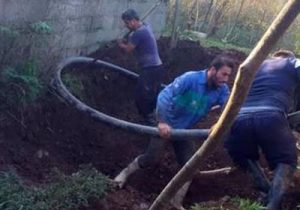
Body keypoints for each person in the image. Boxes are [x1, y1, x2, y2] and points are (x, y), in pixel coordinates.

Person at [114, 55, 234, 209]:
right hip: (166, 123)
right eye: (224, 74)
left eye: (229, 76)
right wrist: (162, 121)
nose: (226, 79)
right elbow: (165, 96)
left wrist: (219, 124)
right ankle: (124, 174)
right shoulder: (190, 78)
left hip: (184, 131)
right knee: (151, 157)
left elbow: (228, 109)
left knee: (190, 165)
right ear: (212, 69)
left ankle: (176, 201)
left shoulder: (222, 90)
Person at [224, 50, 300, 210]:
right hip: (270, 115)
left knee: (242, 156)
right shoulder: (291, 62)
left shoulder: (256, 65)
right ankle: (273, 205)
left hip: (239, 118)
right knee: (286, 160)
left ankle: (265, 191)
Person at [118, 9, 165, 124]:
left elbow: (128, 49)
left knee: (141, 96)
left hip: (150, 69)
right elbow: (135, 38)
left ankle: (150, 120)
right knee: (152, 94)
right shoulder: (145, 26)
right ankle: (153, 115)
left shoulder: (138, 33)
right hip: (157, 67)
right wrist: (129, 38)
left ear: (133, 21)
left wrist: (120, 43)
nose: (126, 26)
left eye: (127, 23)